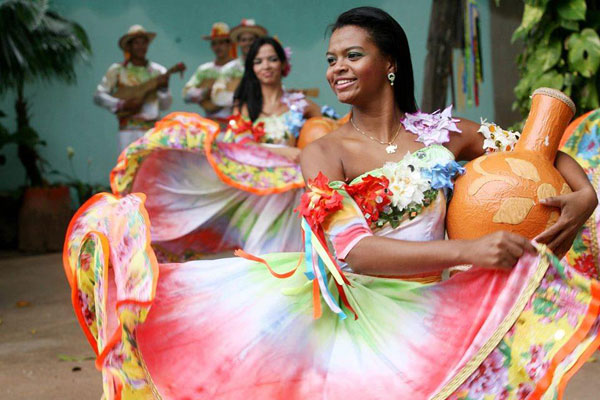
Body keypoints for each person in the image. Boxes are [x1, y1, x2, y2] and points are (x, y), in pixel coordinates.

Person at [65, 7, 599, 399]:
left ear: (389, 63)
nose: (335, 69)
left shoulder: (447, 132)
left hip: (442, 304)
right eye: (330, 59)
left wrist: (583, 195)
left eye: (352, 55)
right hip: (359, 316)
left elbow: (537, 147)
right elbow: (352, 252)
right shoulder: (322, 151)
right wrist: (473, 249)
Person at [109, 36, 321, 261]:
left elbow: (324, 135)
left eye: (272, 59)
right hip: (260, 190)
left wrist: (305, 154)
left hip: (295, 189)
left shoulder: (302, 104)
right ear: (251, 67)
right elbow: (239, 147)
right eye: (258, 61)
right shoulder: (245, 106)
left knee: (294, 254)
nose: (266, 66)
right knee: (262, 252)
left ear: (283, 64)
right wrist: (285, 152)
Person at [94, 25, 173, 152]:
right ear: (128, 46)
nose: (141, 47)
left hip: (152, 131)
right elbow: (98, 96)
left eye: (144, 43)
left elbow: (165, 106)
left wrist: (163, 90)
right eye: (136, 43)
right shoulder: (117, 70)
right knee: (128, 169)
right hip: (127, 130)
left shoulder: (159, 71)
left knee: (151, 170)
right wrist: (121, 104)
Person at [182, 22, 242, 123]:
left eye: (221, 43)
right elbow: (186, 95)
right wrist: (205, 92)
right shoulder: (204, 70)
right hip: (210, 123)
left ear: (230, 44)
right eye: (214, 43)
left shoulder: (239, 69)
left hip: (235, 123)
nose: (218, 47)